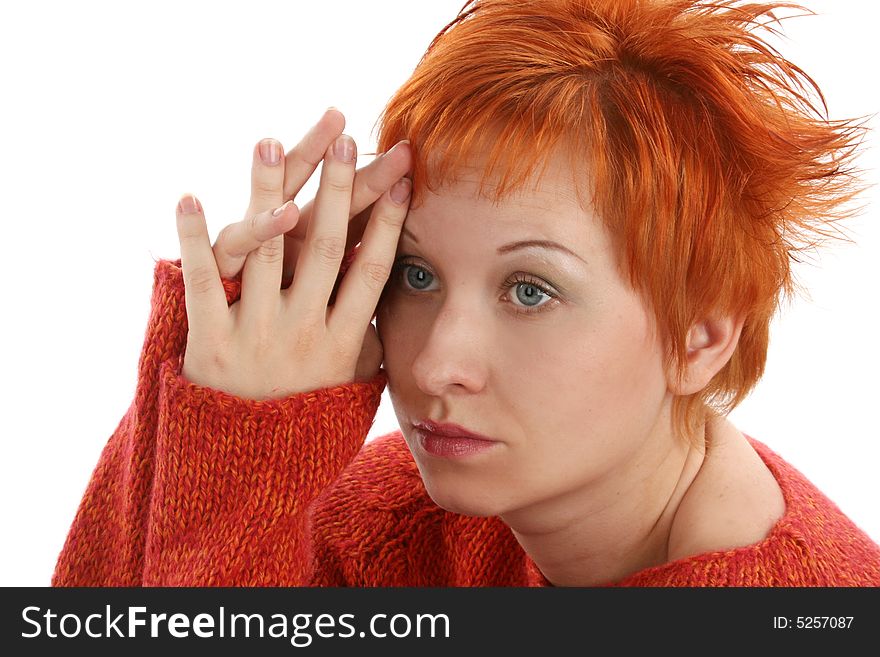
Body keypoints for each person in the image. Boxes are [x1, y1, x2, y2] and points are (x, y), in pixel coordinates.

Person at [52, 0, 880, 587]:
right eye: (415, 274)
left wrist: (245, 455)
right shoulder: (394, 519)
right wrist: (218, 373)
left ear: (701, 339)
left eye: (530, 289)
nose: (439, 362)